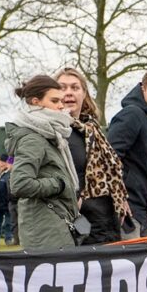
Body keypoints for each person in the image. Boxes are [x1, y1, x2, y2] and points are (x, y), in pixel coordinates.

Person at [56, 67, 131, 245]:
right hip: (79, 226)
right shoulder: (54, 131)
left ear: (84, 94)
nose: (69, 93)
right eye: (62, 87)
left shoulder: (92, 130)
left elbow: (111, 171)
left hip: (106, 221)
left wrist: (119, 197)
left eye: (75, 88)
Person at [5, 75, 80, 251]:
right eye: (54, 100)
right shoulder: (33, 138)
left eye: (61, 101)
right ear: (36, 102)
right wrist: (58, 184)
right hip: (45, 230)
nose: (61, 106)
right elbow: (20, 184)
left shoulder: (51, 135)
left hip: (54, 225)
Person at [108, 67, 147, 238]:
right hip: (126, 212)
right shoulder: (132, 114)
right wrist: (118, 198)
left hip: (143, 211)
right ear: (143, 88)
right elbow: (109, 157)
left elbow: (146, 168)